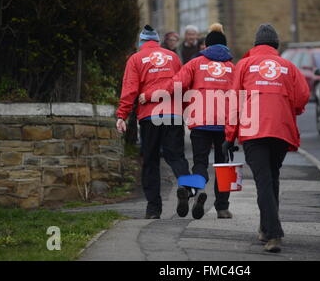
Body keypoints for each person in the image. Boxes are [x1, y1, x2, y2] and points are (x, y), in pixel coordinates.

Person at [223, 24, 310, 252]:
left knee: (263, 181)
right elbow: (303, 96)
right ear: (276, 45)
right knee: (272, 178)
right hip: (281, 130)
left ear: (256, 45)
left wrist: (229, 135)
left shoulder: (244, 65)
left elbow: (234, 101)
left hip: (254, 130)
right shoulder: (288, 66)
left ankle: (274, 234)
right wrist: (290, 109)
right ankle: (265, 228)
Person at [139, 23, 235, 220]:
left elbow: (175, 85)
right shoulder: (233, 67)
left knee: (200, 161)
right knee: (224, 165)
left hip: (200, 121)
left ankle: (197, 190)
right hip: (226, 123)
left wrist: (149, 95)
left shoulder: (195, 64)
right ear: (225, 48)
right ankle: (222, 207)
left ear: (206, 46)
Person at [116, 25, 192, 220]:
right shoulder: (173, 57)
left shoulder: (136, 59)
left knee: (150, 161)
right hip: (173, 114)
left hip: (150, 116)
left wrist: (122, 115)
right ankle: (184, 185)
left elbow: (130, 89)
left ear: (141, 42)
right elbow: (181, 83)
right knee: (176, 157)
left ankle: (153, 209)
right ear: (157, 41)